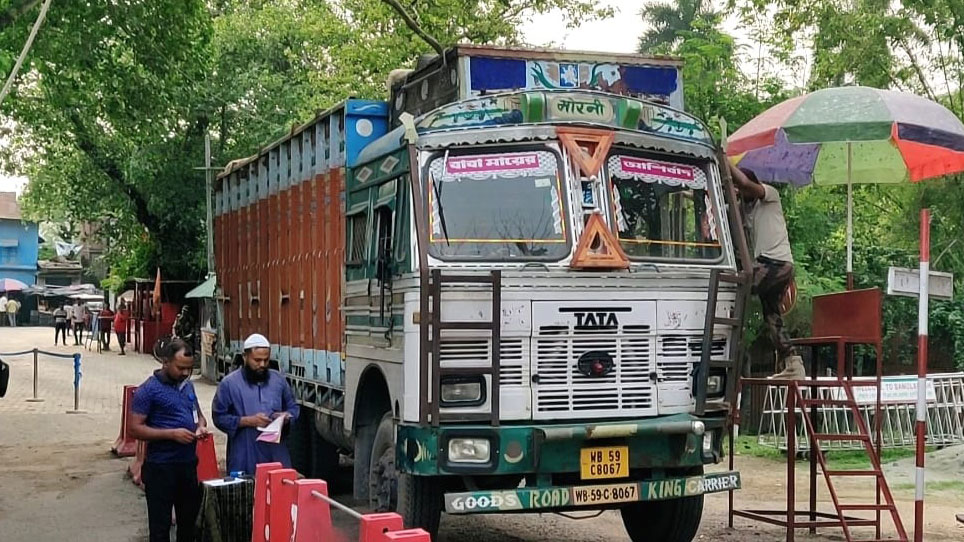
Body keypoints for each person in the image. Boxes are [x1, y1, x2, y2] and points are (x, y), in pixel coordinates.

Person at [729, 163, 805, 379]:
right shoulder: (745, 206)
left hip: (777, 263)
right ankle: (793, 363)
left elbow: (744, 183)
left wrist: (726, 163)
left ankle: (735, 349)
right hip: (765, 264)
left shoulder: (769, 195)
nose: (742, 193)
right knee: (771, 316)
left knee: (741, 285)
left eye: (743, 190)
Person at [129, 338, 209, 542]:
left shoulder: (188, 386)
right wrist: (171, 434)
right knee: (160, 528)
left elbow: (198, 414)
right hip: (161, 468)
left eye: (189, 369)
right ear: (165, 362)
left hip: (188, 466)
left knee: (188, 525)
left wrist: (200, 426)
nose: (185, 373)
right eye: (180, 367)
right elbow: (134, 428)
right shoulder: (148, 390)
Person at [212, 333, 299, 475]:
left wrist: (286, 417)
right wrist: (247, 421)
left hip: (276, 453)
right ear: (245, 357)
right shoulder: (229, 383)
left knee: (279, 492)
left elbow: (293, 408)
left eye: (266, 360)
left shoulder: (279, 380)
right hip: (243, 453)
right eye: (257, 360)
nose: (262, 365)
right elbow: (219, 417)